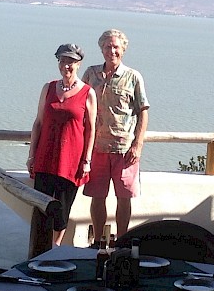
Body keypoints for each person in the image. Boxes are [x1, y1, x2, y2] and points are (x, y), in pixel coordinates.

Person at [82, 29, 150, 244]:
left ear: (123, 49)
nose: (111, 51)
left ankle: (121, 241)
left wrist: (138, 145)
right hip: (97, 148)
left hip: (125, 149)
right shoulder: (91, 74)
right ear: (101, 49)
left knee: (124, 198)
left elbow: (143, 111)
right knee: (97, 196)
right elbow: (80, 105)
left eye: (116, 47)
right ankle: (98, 242)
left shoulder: (133, 76)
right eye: (107, 47)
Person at [27, 43, 97, 247]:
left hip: (71, 161)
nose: (66, 65)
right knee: (41, 205)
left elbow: (90, 129)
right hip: (45, 156)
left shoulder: (87, 93)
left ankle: (55, 247)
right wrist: (32, 155)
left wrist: (87, 160)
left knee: (62, 209)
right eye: (62, 60)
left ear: (79, 64)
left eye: (71, 62)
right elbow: (38, 122)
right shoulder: (48, 88)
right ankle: (39, 247)